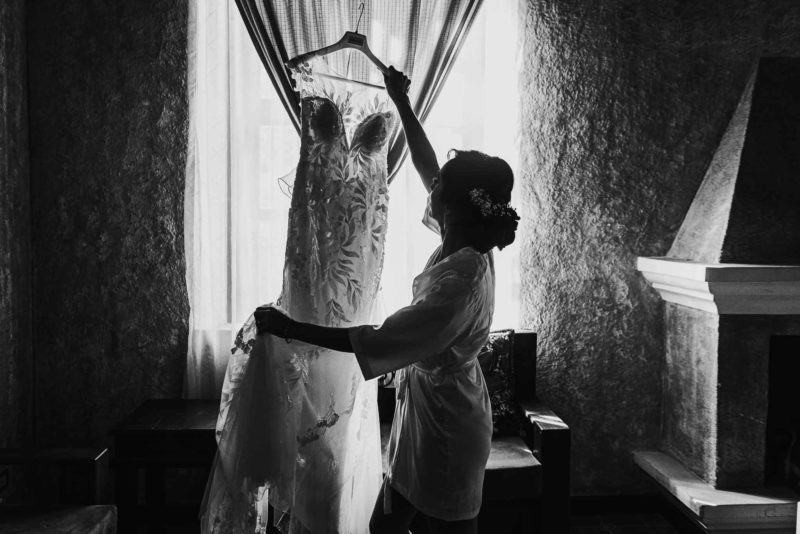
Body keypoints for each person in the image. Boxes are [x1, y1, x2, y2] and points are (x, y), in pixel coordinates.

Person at [255, 67, 519, 534]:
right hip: (424, 414)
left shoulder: (461, 282)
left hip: (449, 429)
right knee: (386, 529)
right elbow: (428, 167)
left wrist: (290, 327)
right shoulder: (460, 239)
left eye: (438, 187)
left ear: (452, 207)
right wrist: (401, 102)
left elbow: (376, 339)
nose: (429, 186)